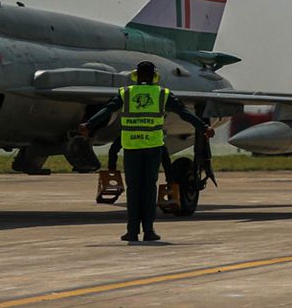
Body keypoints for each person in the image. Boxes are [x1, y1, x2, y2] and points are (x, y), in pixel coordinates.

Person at [77, 61, 213, 243]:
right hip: (153, 148)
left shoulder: (126, 93)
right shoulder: (162, 94)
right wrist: (204, 127)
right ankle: (149, 231)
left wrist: (89, 125)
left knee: (134, 191)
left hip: (132, 148)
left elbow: (107, 109)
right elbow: (184, 113)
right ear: (154, 75)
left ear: (136, 75)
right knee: (149, 189)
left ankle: (132, 232)